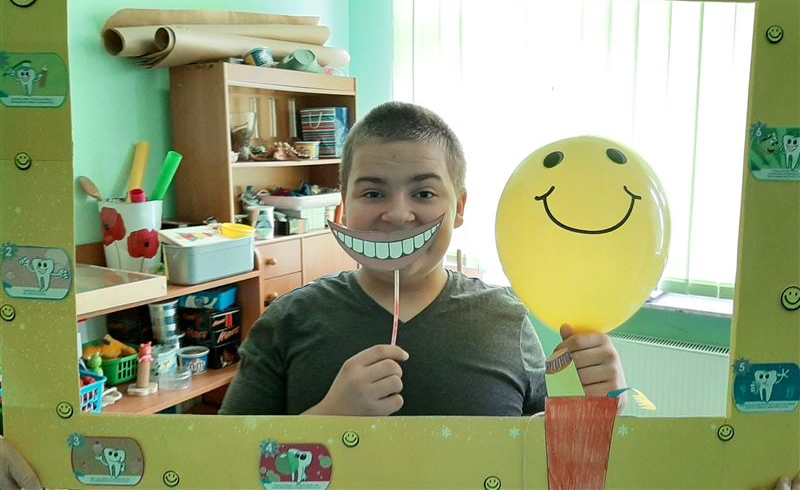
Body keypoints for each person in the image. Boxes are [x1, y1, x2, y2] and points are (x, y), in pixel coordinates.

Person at [220, 101, 626, 416]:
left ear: (459, 208)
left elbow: (547, 455)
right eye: (373, 193)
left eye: (424, 193)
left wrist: (604, 407)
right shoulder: (287, 323)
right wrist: (326, 419)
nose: (398, 214)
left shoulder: (506, 320)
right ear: (344, 207)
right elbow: (223, 468)